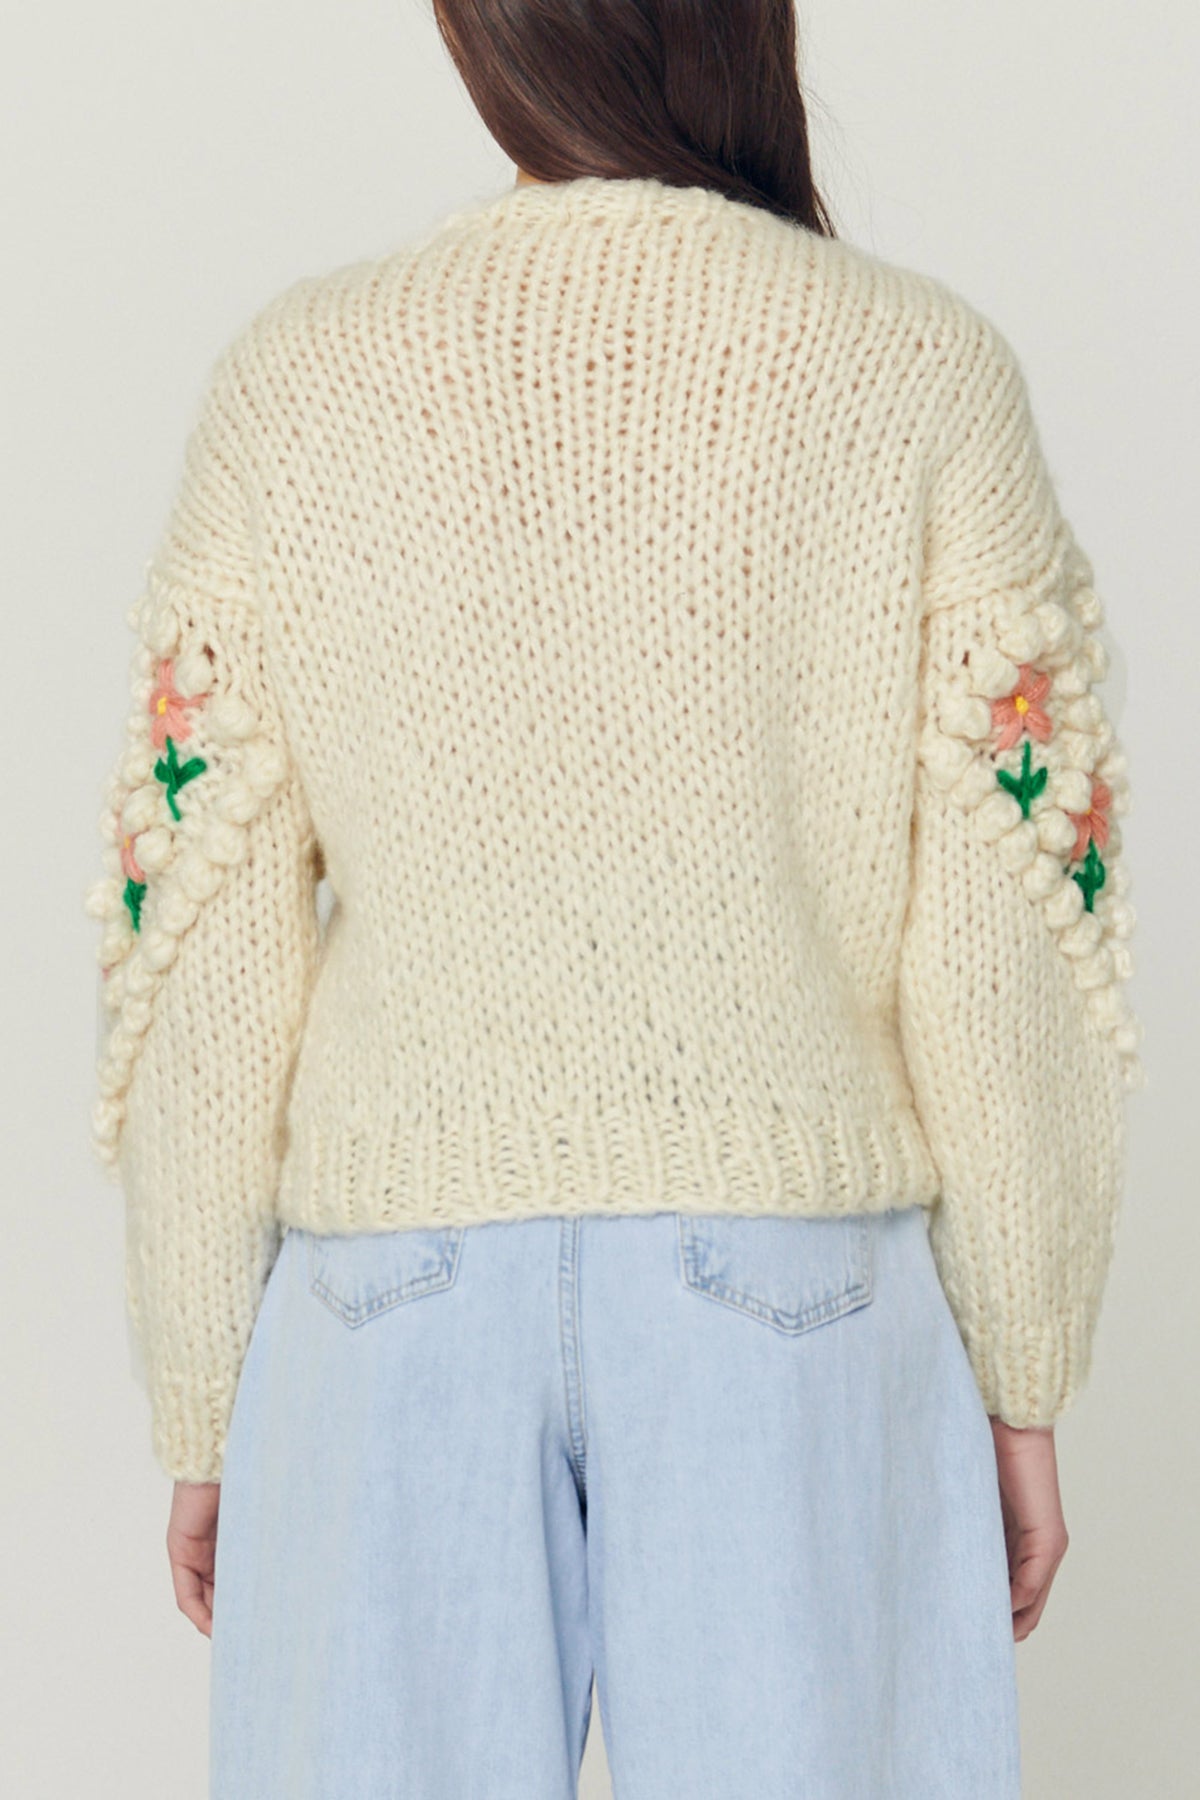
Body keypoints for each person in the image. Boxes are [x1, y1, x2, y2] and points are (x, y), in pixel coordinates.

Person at [84, 2, 1144, 1794]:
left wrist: (205, 1388)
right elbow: (1010, 927)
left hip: (388, 1302)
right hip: (794, 1287)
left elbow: (199, 924)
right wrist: (1022, 1368)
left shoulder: (295, 379)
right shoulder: (919, 369)